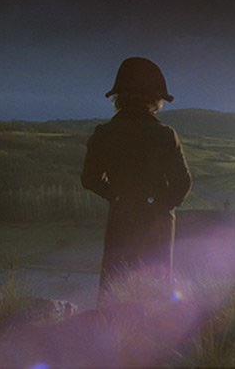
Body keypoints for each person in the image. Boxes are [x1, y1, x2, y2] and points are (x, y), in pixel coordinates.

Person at [81, 57, 192, 306]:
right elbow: (183, 183)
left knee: (115, 288)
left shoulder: (104, 134)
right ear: (155, 98)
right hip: (158, 225)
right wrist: (160, 206)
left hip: (122, 217)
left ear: (119, 96)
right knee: (156, 295)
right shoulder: (165, 135)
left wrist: (118, 196)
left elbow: (89, 179)